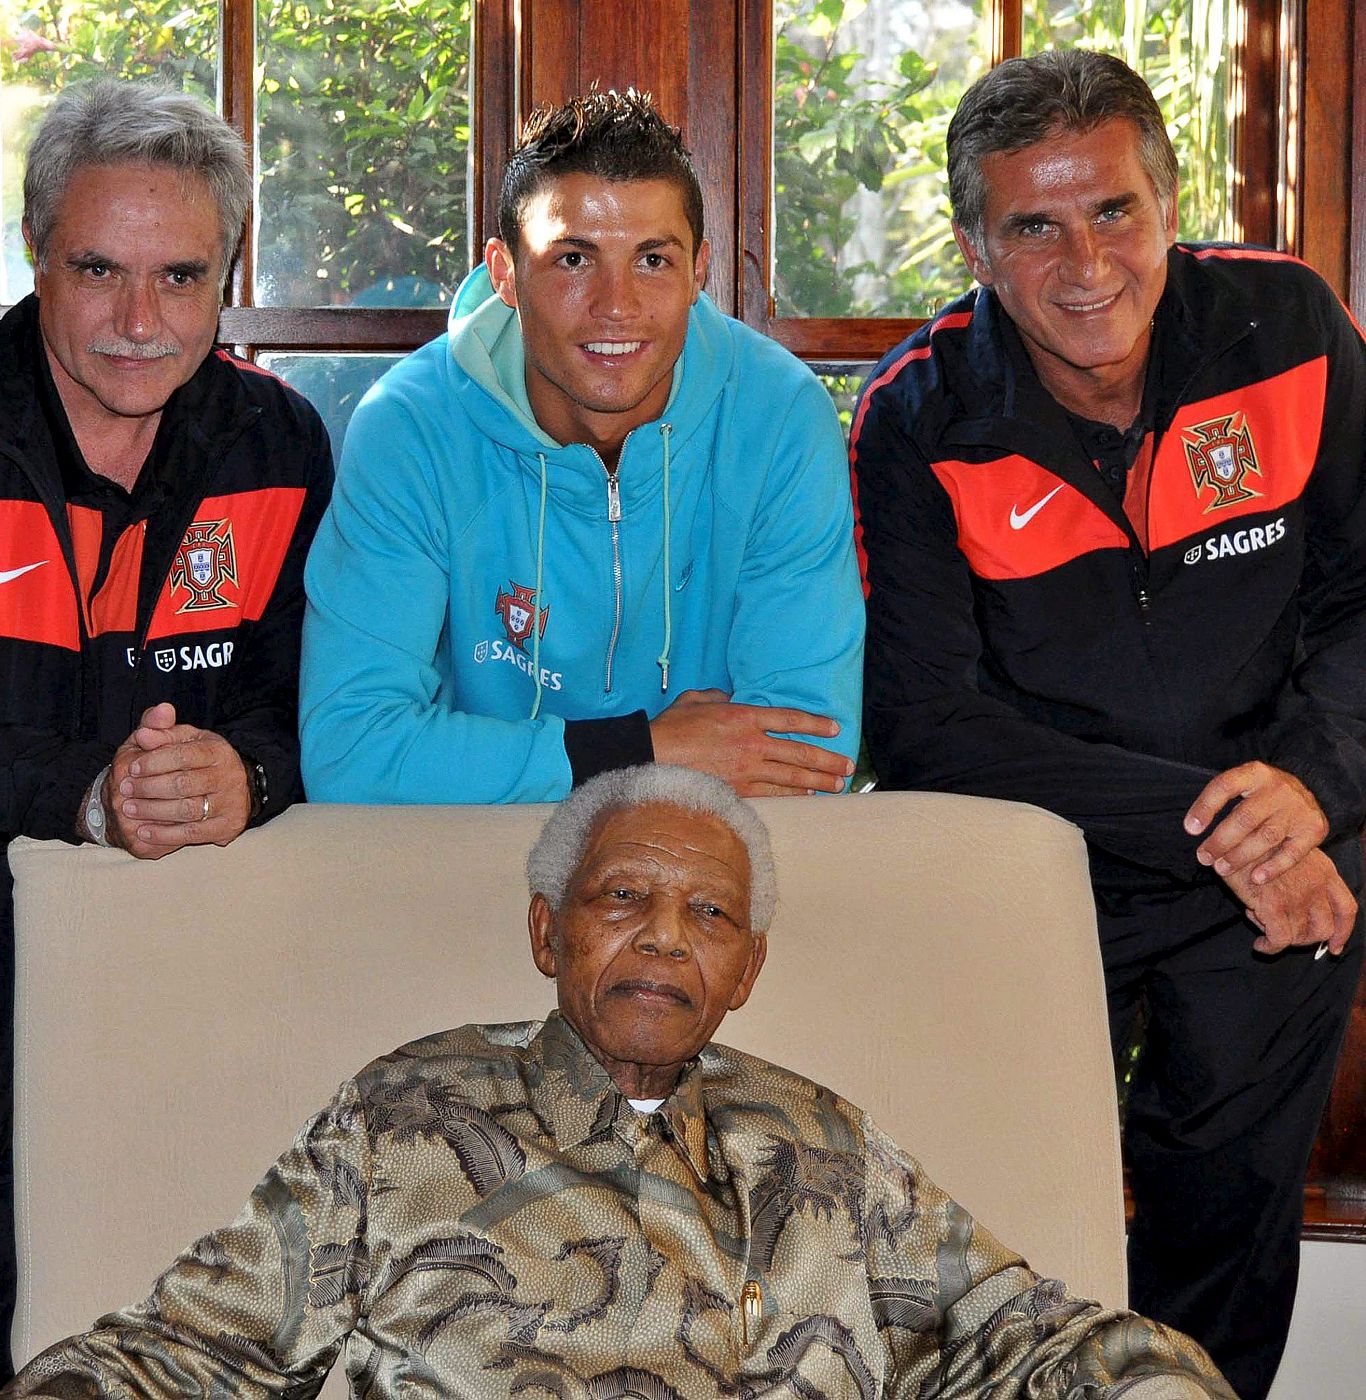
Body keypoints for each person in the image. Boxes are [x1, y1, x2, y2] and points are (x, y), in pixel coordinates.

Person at [6, 765, 1234, 1398]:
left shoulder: (821, 1139)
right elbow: (193, 1350)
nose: (662, 937)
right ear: (549, 935)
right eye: (621, 897)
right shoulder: (407, 1115)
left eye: (707, 913)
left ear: (746, 969)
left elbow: (1015, 1333)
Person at [851, 48, 1366, 1400]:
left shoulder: (1293, 328)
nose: (1086, 264)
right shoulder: (916, 414)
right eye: (1034, 225)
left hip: (1276, 861)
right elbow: (926, 728)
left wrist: (1303, 795)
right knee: (1004, 1230)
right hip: (1044, 866)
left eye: (1114, 212)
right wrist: (1221, 826)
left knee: (1223, 1230)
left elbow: (1365, 600)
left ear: (1167, 202)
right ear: (974, 243)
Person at [0, 79, 332, 1372]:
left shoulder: (279, 442)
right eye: (98, 271)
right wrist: (89, 797)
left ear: (227, 274)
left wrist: (246, 772)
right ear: (36, 254)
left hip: (184, 993)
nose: (141, 322)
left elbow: (322, 712)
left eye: (182, 278)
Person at [300, 91, 863, 805]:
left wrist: (499, 767)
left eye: (653, 260)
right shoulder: (411, 428)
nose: (617, 305)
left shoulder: (780, 416)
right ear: (505, 273)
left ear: (700, 271)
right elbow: (349, 756)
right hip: (464, 860)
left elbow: (805, 757)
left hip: (700, 868)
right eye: (573, 258)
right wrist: (644, 752)